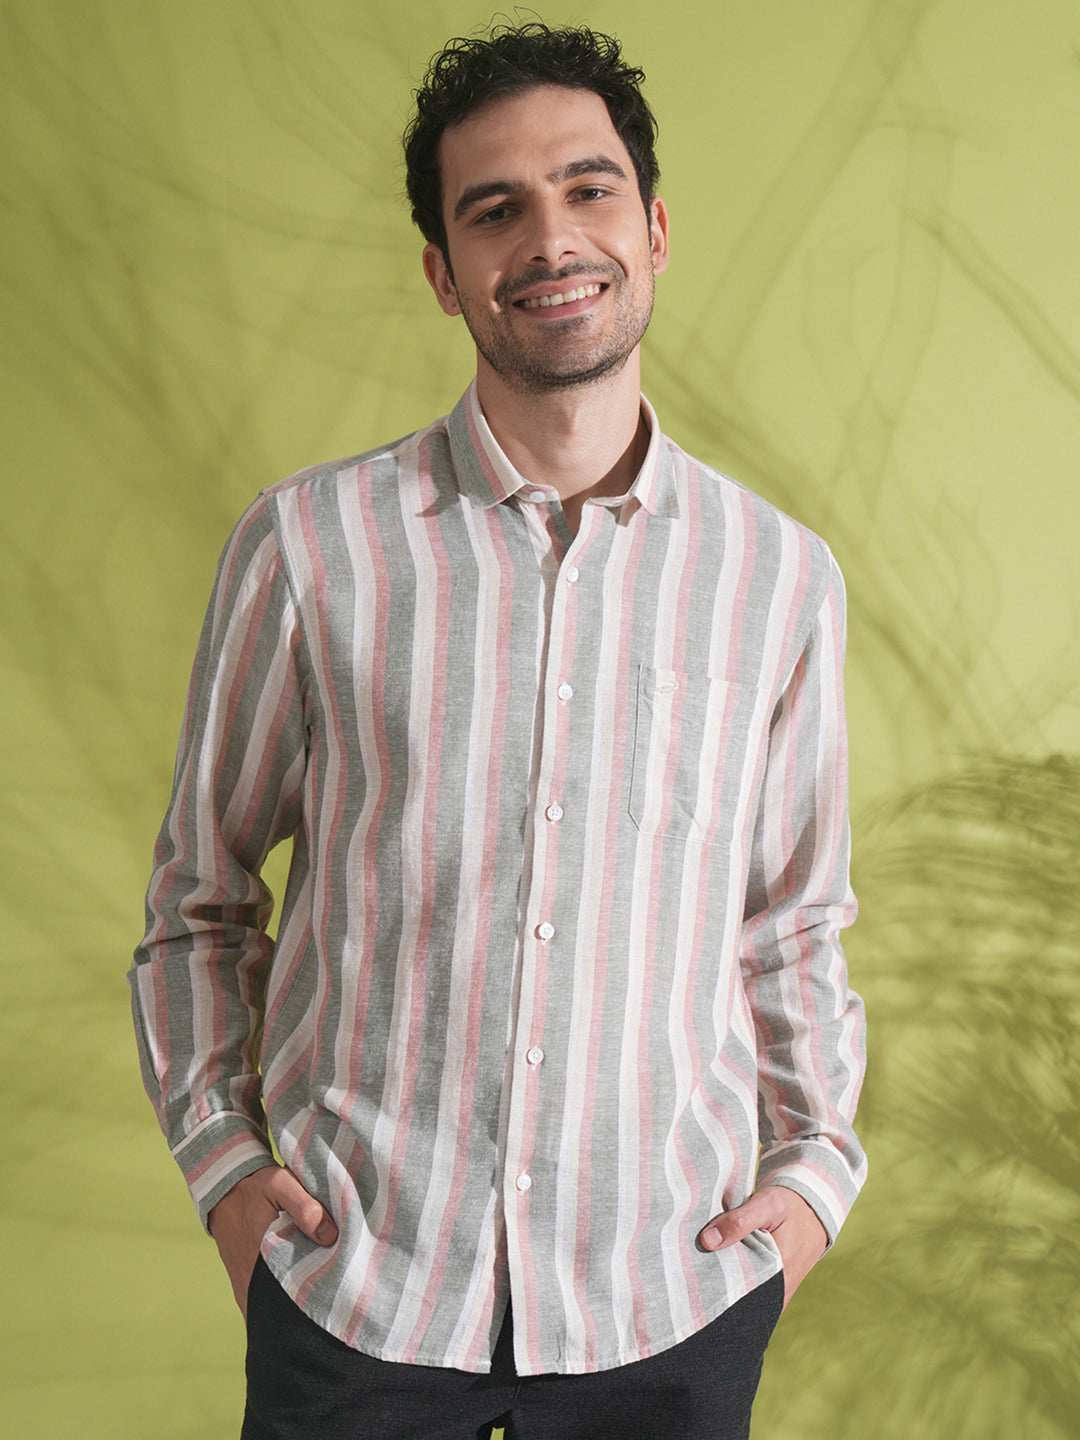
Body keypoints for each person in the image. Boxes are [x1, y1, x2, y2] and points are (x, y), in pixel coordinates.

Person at [130, 22, 866, 1439]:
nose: (551, 239)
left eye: (588, 189)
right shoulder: (309, 549)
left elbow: (794, 925)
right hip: (359, 1296)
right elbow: (198, 906)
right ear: (443, 271)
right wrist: (226, 1174)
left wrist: (814, 1188)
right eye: (495, 209)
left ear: (653, 230)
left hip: (672, 1301)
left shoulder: (778, 578)